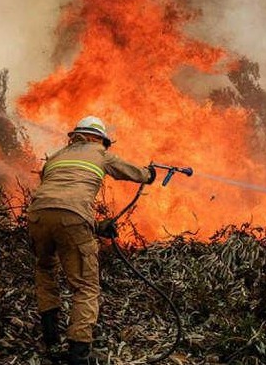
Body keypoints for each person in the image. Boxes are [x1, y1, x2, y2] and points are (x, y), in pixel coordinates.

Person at [27, 116, 155, 365]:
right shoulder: (100, 153)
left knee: (44, 270)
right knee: (85, 287)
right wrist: (149, 174)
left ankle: (51, 340)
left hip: (37, 216)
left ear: (75, 136)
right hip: (72, 218)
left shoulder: (55, 157)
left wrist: (96, 226)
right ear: (98, 138)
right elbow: (133, 173)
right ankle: (79, 354)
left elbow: (58, 203)